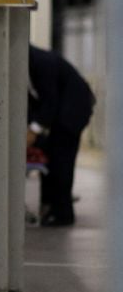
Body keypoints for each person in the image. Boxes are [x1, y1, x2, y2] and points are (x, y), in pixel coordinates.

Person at [28, 44, 95, 226]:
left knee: (62, 160)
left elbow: (50, 99)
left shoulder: (42, 62)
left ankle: (63, 214)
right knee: (50, 157)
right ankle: (50, 206)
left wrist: (34, 130)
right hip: (60, 111)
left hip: (72, 112)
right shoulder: (30, 63)